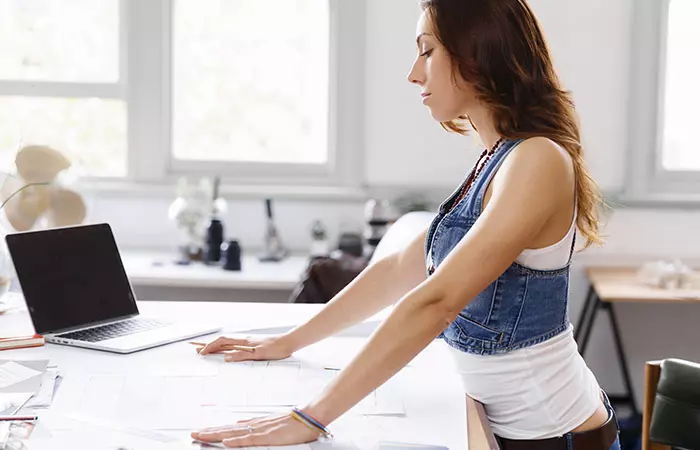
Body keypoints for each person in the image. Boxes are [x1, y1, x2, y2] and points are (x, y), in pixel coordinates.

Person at [191, 0, 620, 448]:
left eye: (428, 51)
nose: (414, 73)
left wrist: (311, 417)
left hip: (560, 437)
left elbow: (436, 301)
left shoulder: (539, 160)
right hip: (507, 430)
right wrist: (289, 341)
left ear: (477, 52)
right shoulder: (494, 159)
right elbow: (400, 267)